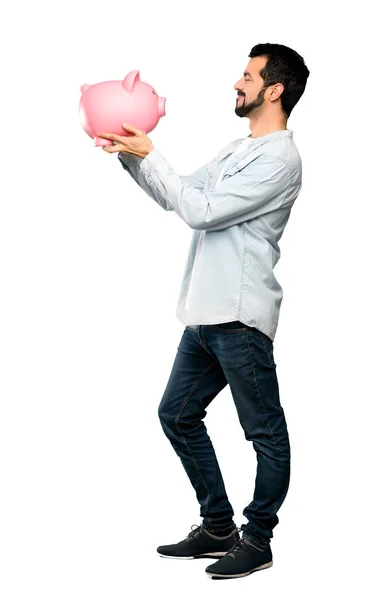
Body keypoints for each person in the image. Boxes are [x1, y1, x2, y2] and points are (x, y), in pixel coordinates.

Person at [98, 42, 310, 579]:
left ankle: (257, 538)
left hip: (239, 318)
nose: (237, 84)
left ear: (275, 89)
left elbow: (200, 211)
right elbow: (180, 193)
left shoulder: (281, 159)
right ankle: (218, 526)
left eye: (247, 76)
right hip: (204, 317)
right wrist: (129, 152)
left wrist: (152, 154)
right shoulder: (237, 150)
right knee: (176, 414)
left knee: (265, 433)